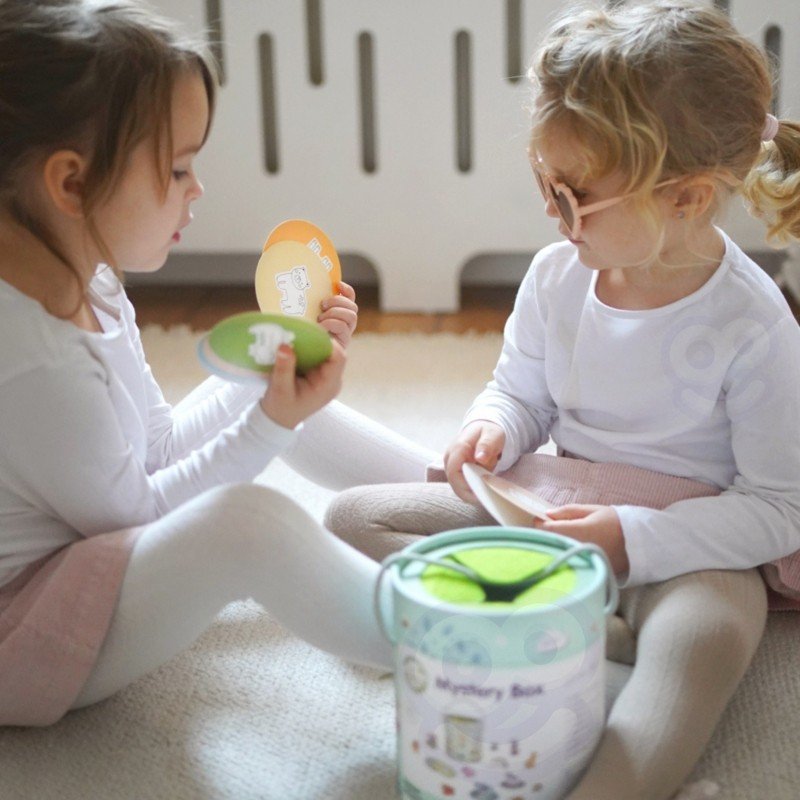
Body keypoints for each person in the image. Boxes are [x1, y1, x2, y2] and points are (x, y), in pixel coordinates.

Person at [325, 2, 800, 798]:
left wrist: (633, 541)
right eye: (545, 182)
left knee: (705, 642)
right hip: (550, 515)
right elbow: (521, 392)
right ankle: (581, 640)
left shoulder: (755, 326)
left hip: (690, 549)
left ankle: (602, 749)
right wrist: (493, 428)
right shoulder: (556, 276)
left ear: (684, 199)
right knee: (354, 519)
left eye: (575, 196)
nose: (552, 211)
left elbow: (780, 510)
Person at [0, 0, 440, 728]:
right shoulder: (30, 359)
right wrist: (268, 424)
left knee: (274, 372)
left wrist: (278, 370)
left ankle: (467, 501)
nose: (197, 188)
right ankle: (468, 648)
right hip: (28, 634)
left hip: (88, 566)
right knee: (244, 523)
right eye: (177, 169)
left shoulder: (93, 284)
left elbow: (158, 449)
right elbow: (138, 520)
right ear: (71, 184)